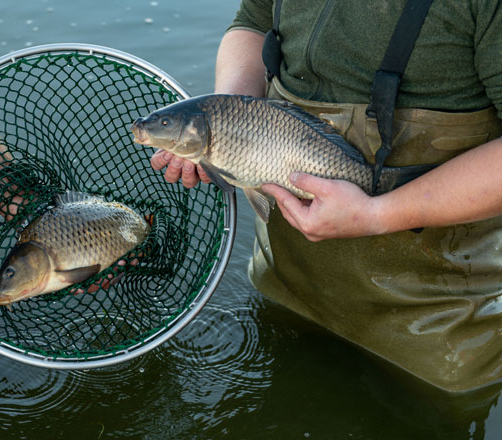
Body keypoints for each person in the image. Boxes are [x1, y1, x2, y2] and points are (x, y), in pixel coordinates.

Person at [151, 1, 502, 393]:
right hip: (284, 291)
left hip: (433, 340)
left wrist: (378, 213)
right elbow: (252, 22)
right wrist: (224, 123)